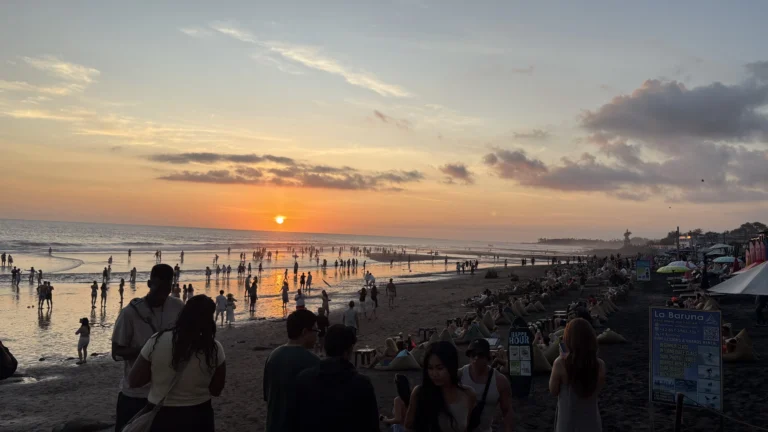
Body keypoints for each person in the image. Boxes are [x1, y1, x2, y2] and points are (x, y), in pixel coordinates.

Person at [127, 295, 226, 431]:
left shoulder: (157, 340)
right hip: (199, 416)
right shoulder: (214, 349)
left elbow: (133, 381)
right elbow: (216, 390)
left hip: (162, 417)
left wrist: (160, 375)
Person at [111, 264, 184, 431]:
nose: (162, 294)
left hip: (165, 394)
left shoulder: (178, 307)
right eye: (158, 287)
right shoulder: (129, 313)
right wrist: (146, 350)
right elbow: (116, 353)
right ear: (149, 284)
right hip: (135, 394)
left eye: (167, 288)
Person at [295, 324, 380, 431]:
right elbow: (371, 426)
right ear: (349, 350)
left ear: (325, 348)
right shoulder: (361, 384)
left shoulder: (303, 379)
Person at [263, 309, 320, 432]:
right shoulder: (313, 362)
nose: (317, 334)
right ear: (305, 332)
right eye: (315, 330)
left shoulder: (273, 356)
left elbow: (268, 396)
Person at [549, 317, 605, 432]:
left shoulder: (560, 363)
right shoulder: (600, 364)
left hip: (568, 423)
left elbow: (553, 391)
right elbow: (597, 390)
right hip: (592, 422)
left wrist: (563, 357)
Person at [405, 341, 476, 432]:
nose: (434, 374)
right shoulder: (420, 393)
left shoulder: (468, 394)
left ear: (451, 367)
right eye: (430, 368)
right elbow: (408, 427)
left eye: (440, 368)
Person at [459, 339, 515, 432]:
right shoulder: (459, 375)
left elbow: (507, 411)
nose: (476, 358)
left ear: (487, 357)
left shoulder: (500, 381)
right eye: (473, 355)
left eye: (480, 355)